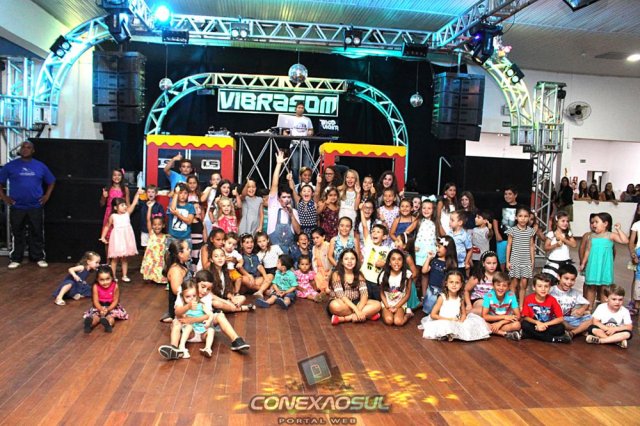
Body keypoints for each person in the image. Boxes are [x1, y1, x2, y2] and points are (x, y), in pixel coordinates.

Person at [158, 270, 250, 359]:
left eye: (208, 289)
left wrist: (192, 320)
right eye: (203, 287)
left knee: (220, 315)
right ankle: (174, 348)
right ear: (196, 283)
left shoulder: (207, 296)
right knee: (175, 322)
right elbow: (177, 312)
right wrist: (187, 308)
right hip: (188, 331)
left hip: (202, 330)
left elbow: (208, 315)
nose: (205, 291)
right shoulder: (185, 290)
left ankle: (236, 340)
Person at [0, 140, 55, 269]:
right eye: (23, 147)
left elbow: (52, 181)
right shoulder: (10, 166)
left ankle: (38, 257)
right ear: (20, 150)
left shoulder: (40, 166)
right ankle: (16, 258)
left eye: (28, 147)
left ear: (33, 150)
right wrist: (4, 197)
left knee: (36, 231)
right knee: (17, 232)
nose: (25, 149)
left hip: (35, 206)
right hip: (17, 206)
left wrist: (46, 196)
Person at [418, 270, 490, 342]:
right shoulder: (442, 298)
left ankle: (453, 334)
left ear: (461, 285)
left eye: (457, 283)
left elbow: (463, 313)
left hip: (456, 321)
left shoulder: (460, 298)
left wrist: (461, 322)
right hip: (443, 320)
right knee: (445, 326)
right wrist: (448, 319)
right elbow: (433, 315)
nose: (454, 285)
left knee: (472, 325)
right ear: (446, 283)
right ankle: (447, 334)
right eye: (451, 282)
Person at [580, 212, 629, 310]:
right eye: (593, 222)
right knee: (591, 287)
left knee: (604, 288)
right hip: (593, 266)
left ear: (605, 224)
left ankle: (604, 309)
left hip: (605, 266)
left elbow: (625, 241)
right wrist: (583, 263)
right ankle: (589, 309)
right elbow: (588, 250)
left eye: (596, 222)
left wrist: (618, 229)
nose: (594, 224)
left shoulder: (610, 235)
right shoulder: (591, 236)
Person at [328, 249, 381, 325]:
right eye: (346, 259)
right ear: (342, 262)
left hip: (356, 302)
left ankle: (344, 318)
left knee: (377, 304)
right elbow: (341, 296)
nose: (349, 261)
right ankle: (367, 315)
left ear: (356, 261)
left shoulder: (359, 275)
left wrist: (358, 310)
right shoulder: (336, 274)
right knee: (334, 306)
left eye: (352, 259)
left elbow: (364, 295)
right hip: (342, 302)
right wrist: (356, 310)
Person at [99, 191, 141, 283]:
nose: (125, 206)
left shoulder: (127, 214)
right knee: (115, 259)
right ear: (115, 207)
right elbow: (107, 226)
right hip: (117, 239)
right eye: (122, 205)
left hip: (126, 239)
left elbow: (134, 204)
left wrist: (137, 194)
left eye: (125, 205)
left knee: (124, 259)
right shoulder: (113, 216)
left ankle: (124, 275)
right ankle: (113, 276)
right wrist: (103, 237)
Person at [520, 274, 571, 343]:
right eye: (540, 286)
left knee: (561, 327)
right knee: (524, 324)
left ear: (549, 288)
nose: (543, 289)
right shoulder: (528, 299)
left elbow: (560, 318)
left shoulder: (552, 300)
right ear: (534, 287)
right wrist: (537, 323)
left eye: (546, 286)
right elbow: (525, 317)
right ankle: (553, 339)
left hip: (547, 325)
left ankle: (528, 335)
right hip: (535, 324)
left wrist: (545, 324)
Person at [267, 151, 301, 254]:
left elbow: (298, 231)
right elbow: (274, 185)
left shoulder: (294, 212)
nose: (287, 199)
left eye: (289, 197)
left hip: (288, 253)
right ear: (278, 198)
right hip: (273, 251)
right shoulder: (273, 206)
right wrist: (278, 164)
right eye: (284, 197)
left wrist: (291, 215)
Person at [174, 281, 215, 359]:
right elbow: (181, 317)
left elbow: (210, 314)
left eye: (194, 296)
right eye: (188, 296)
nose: (191, 298)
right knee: (188, 327)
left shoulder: (201, 305)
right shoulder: (184, 307)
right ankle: (181, 347)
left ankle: (207, 348)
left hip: (202, 333)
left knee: (211, 330)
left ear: (197, 295)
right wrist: (186, 311)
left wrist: (209, 321)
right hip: (191, 334)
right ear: (183, 297)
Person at [550, 265, 592, 339]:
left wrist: (582, 309)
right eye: (566, 278)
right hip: (558, 319)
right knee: (558, 321)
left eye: (572, 280)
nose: (569, 282)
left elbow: (586, 303)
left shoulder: (574, 292)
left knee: (592, 319)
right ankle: (579, 330)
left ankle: (573, 332)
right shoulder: (551, 290)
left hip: (571, 319)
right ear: (558, 277)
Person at [83, 265, 128, 333]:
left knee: (110, 317)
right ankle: (89, 325)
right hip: (99, 306)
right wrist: (101, 309)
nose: (105, 282)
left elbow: (115, 300)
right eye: (102, 280)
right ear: (97, 279)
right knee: (95, 317)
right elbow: (95, 301)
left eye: (107, 279)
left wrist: (108, 309)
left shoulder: (115, 286)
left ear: (112, 277)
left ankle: (108, 325)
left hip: (111, 307)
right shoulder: (95, 286)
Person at [506, 206, 536, 307]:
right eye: (520, 216)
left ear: (529, 218)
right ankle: (513, 305)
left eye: (525, 216)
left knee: (523, 284)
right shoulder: (512, 230)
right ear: (516, 217)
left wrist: (532, 261)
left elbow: (531, 246)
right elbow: (509, 245)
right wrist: (507, 261)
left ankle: (521, 306)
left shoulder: (530, 231)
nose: (523, 219)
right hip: (515, 260)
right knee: (514, 284)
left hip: (526, 261)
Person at [209, 248, 254, 313]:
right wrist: (226, 302)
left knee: (242, 297)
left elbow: (226, 291)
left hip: (223, 299)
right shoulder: (209, 273)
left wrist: (232, 298)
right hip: (213, 300)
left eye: (222, 256)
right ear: (211, 260)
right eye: (216, 256)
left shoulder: (225, 271)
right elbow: (210, 295)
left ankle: (228, 308)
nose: (220, 258)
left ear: (225, 258)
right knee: (216, 303)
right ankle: (241, 308)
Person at [421, 236, 457, 315]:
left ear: (447, 248)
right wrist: (428, 258)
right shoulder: (434, 260)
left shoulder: (451, 264)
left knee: (440, 311)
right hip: (432, 290)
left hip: (444, 292)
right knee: (428, 311)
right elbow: (424, 271)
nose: (437, 248)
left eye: (439, 247)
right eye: (436, 246)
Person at [481, 272, 522, 340]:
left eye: (504, 285)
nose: (501, 288)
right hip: (493, 320)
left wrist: (500, 323)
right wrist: (504, 317)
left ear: (508, 287)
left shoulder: (511, 295)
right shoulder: (488, 296)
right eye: (498, 285)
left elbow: (518, 315)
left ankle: (491, 331)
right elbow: (484, 316)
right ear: (493, 285)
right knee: (480, 322)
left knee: (517, 325)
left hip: (505, 322)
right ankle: (504, 333)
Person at [379, 249, 414, 326]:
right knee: (389, 320)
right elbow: (381, 293)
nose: (396, 262)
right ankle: (385, 312)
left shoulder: (407, 274)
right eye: (393, 259)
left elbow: (407, 294)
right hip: (387, 303)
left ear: (403, 262)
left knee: (398, 322)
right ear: (389, 262)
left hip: (400, 304)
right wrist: (387, 306)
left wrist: (396, 307)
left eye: (399, 259)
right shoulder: (383, 275)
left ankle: (408, 314)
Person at [360, 216, 391, 301]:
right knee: (365, 301)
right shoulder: (369, 244)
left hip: (377, 282)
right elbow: (364, 226)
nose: (375, 233)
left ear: (384, 237)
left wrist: (384, 264)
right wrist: (361, 210)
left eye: (378, 232)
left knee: (377, 302)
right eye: (373, 231)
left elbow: (391, 264)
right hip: (364, 280)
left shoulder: (387, 250)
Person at [160, 239, 191, 323]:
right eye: (187, 249)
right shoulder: (176, 270)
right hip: (180, 308)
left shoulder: (183, 265)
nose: (189, 250)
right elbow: (176, 291)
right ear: (180, 254)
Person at [100, 169, 130, 254]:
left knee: (120, 238)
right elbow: (102, 204)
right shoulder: (108, 188)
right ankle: (108, 260)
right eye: (115, 175)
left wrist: (127, 217)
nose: (117, 177)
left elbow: (128, 205)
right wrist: (104, 196)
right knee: (108, 238)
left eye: (119, 175)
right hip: (109, 214)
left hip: (121, 215)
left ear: (122, 177)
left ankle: (118, 258)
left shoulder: (125, 189)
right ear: (112, 176)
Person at [541, 211, 577, 282]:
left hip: (565, 260)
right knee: (551, 280)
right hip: (554, 261)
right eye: (563, 221)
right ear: (556, 222)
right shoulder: (551, 234)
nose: (565, 223)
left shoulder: (568, 233)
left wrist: (563, 239)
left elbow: (574, 244)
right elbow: (545, 248)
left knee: (563, 281)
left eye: (567, 221)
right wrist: (556, 245)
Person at [283, 102, 314, 183]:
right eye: (299, 107)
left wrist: (310, 133)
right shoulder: (291, 119)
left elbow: (311, 130)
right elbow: (286, 131)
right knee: (295, 167)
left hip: (305, 145)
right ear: (295, 109)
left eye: (302, 108)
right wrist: (285, 133)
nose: (300, 109)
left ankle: (306, 184)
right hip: (294, 145)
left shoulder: (307, 119)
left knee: (307, 166)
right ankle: (296, 184)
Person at [414, 199, 437, 296]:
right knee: (415, 273)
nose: (426, 210)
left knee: (425, 274)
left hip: (429, 251)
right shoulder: (419, 221)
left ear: (433, 210)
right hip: (418, 249)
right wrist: (413, 245)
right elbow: (408, 231)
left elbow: (440, 235)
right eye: (424, 208)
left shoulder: (435, 222)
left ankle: (424, 296)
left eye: (429, 208)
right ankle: (411, 297)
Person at [493, 185, 519, 272]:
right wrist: (497, 233)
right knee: (501, 260)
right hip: (502, 238)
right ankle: (503, 276)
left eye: (510, 194)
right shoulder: (500, 206)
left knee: (514, 261)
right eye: (505, 194)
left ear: (515, 195)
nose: (507, 196)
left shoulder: (520, 207)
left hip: (516, 239)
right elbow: (495, 220)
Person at [464, 251, 499, 315]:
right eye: (488, 263)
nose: (492, 266)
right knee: (483, 310)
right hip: (480, 299)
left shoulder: (499, 276)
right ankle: (466, 313)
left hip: (494, 301)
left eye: (494, 263)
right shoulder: (478, 276)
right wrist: (468, 304)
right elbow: (466, 290)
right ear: (483, 264)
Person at [140, 209, 168, 285]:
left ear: (163, 225)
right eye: (154, 225)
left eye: (159, 224)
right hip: (150, 259)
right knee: (150, 271)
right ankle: (151, 278)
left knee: (159, 270)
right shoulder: (151, 234)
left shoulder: (165, 237)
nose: (157, 226)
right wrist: (149, 208)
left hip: (159, 259)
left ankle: (158, 279)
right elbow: (148, 220)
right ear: (152, 225)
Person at [447, 210, 473, 276]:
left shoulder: (465, 235)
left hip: (460, 265)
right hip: (449, 263)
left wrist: (466, 262)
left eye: (452, 220)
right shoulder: (449, 233)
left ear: (460, 222)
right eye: (450, 220)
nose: (449, 222)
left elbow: (470, 249)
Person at [200, 172, 221, 238]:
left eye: (218, 179)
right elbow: (202, 199)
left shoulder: (223, 189)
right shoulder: (208, 189)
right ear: (211, 181)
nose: (216, 181)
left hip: (220, 216)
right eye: (213, 179)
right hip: (209, 216)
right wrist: (211, 188)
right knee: (209, 236)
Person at [311, 227, 331, 293]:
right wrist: (316, 271)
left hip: (328, 270)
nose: (315, 240)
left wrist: (330, 272)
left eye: (317, 237)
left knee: (327, 288)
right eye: (313, 238)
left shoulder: (328, 246)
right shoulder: (314, 248)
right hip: (319, 271)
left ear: (323, 237)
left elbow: (331, 260)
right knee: (317, 282)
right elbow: (314, 261)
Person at [628, 212, 640, 315]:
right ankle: (634, 302)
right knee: (637, 279)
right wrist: (633, 254)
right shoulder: (636, 224)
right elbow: (631, 242)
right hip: (638, 254)